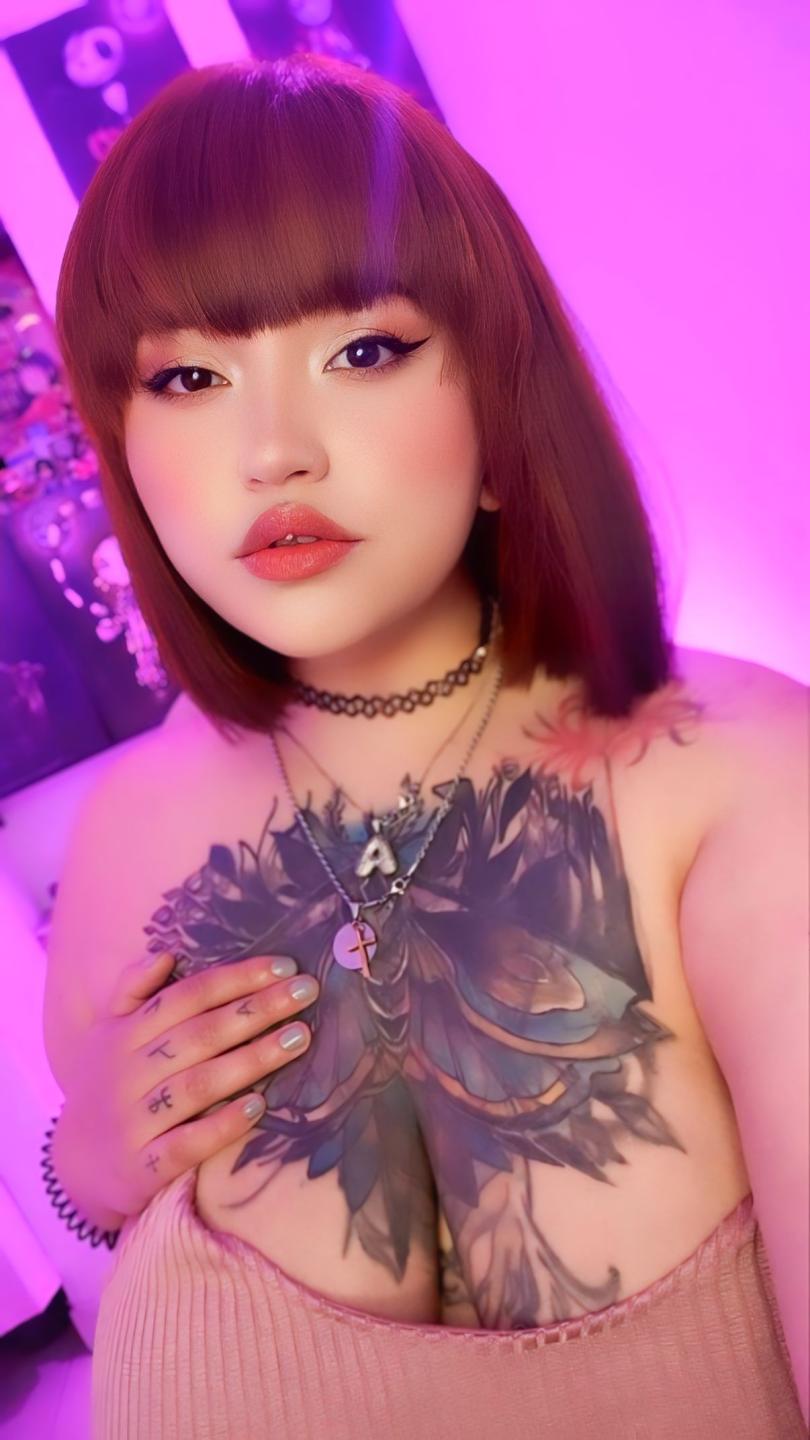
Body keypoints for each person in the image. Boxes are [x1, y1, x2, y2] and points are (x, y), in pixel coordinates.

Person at [42, 53, 806, 1440]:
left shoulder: (743, 780)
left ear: (499, 402)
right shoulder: (130, 834)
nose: (273, 452)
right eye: (191, 375)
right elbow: (105, 1225)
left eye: (363, 351)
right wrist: (78, 1171)